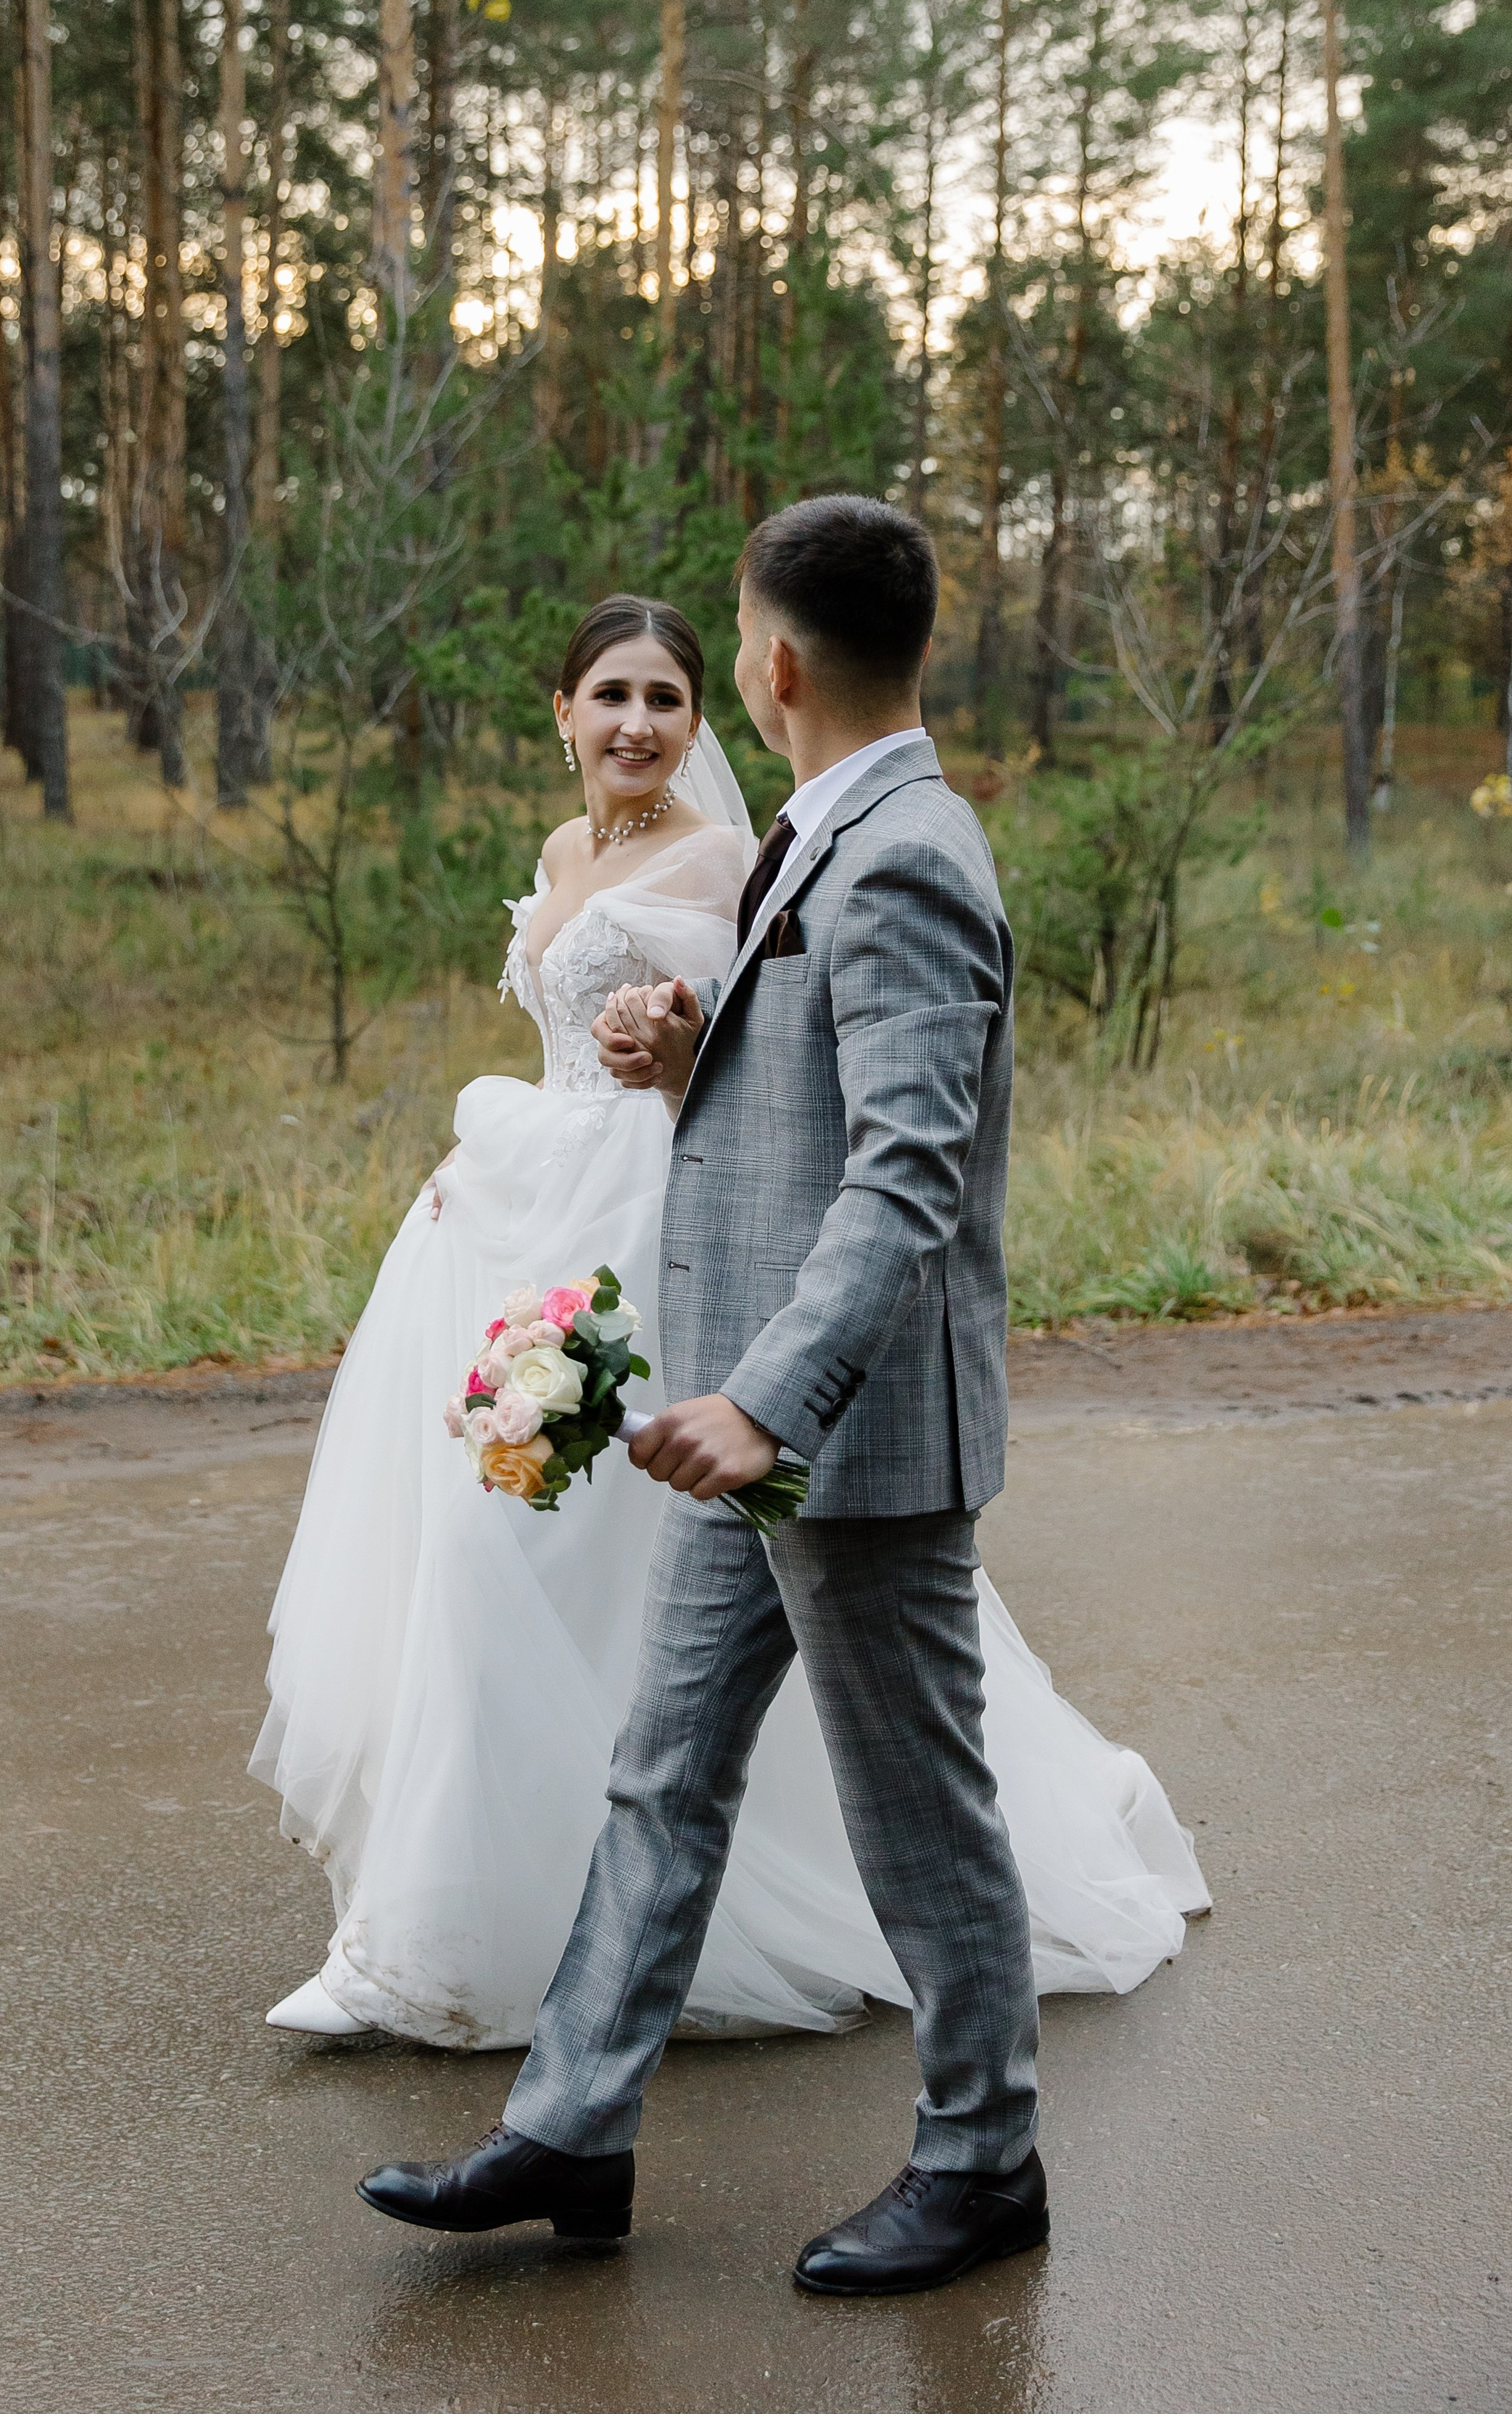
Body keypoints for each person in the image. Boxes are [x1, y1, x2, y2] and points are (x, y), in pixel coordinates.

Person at [355, 500, 1199, 2296]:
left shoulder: (903, 851)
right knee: (664, 1774)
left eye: (724, 644)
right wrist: (687, 1057)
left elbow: (908, 1173)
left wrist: (773, 1407)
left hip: (842, 1435)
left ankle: (982, 2168)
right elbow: (805, 1096)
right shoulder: (832, 825)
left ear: (770, 664)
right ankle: (571, 2131)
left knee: (920, 1803)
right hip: (756, 1412)